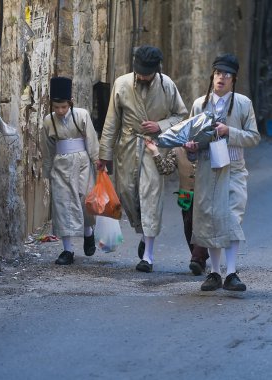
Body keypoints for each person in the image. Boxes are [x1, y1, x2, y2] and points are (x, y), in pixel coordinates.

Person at [97, 45, 187, 272]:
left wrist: (160, 125)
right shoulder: (122, 84)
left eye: (148, 73)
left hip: (155, 147)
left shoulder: (167, 86)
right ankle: (142, 231)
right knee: (127, 192)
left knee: (150, 196)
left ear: (156, 70)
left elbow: (181, 116)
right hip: (127, 146)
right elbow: (111, 122)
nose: (143, 77)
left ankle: (148, 254)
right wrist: (104, 155)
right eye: (141, 72)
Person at [184, 53, 261, 291]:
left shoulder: (243, 104)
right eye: (218, 73)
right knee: (210, 219)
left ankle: (232, 272)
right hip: (208, 169)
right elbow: (189, 137)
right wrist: (192, 149)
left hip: (234, 168)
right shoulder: (199, 104)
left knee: (231, 217)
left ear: (233, 79)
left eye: (226, 74)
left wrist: (230, 131)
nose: (221, 78)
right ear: (212, 76)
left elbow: (254, 137)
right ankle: (215, 273)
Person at [41, 76, 99, 265]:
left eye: (63, 107)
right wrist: (48, 171)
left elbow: (91, 138)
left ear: (70, 103)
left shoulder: (82, 115)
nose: (60, 111)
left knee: (85, 200)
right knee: (62, 204)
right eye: (56, 107)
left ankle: (88, 232)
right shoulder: (48, 121)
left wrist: (97, 161)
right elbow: (47, 148)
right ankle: (67, 250)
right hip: (61, 165)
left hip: (82, 162)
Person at [144, 140, 209, 275]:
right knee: (188, 226)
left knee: (201, 226)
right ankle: (199, 259)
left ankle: (197, 258)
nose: (190, 143)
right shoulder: (177, 151)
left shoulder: (207, 149)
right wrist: (155, 151)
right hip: (186, 195)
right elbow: (165, 169)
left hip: (205, 195)